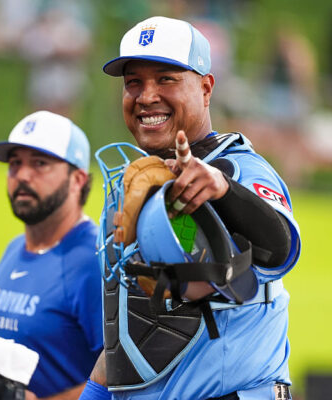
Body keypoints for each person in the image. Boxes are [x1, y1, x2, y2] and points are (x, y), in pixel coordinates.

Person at [79, 16, 301, 400]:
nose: (146, 96)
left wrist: (223, 190)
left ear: (206, 87)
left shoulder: (237, 168)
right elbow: (126, 326)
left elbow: (279, 250)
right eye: (134, 82)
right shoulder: (133, 183)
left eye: (166, 79)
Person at [0, 110, 103, 399]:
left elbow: (126, 376)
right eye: (15, 163)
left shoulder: (94, 259)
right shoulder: (14, 249)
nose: (22, 175)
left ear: (77, 179)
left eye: (39, 163)